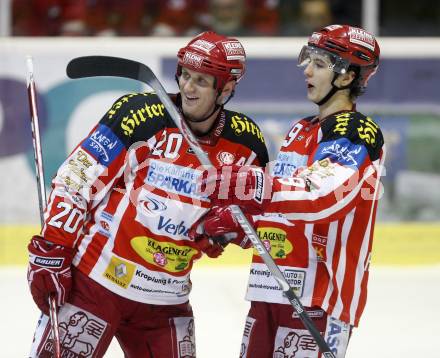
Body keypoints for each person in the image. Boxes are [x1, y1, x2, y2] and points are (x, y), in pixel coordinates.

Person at [27, 31, 268, 357]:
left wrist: (225, 231)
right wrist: (52, 249)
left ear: (225, 89)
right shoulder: (139, 114)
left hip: (165, 303)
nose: (187, 87)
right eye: (184, 74)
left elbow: (255, 223)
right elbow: (77, 178)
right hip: (95, 284)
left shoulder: (247, 145)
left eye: (201, 80)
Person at [191, 24, 385, 357]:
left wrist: (250, 184)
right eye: (309, 61)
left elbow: (320, 196)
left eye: (320, 64)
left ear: (348, 76)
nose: (307, 70)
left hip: (319, 302)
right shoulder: (300, 130)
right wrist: (234, 223)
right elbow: (281, 207)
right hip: (270, 289)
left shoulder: (356, 131)